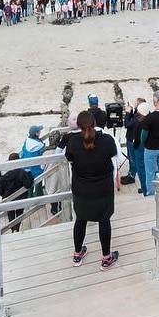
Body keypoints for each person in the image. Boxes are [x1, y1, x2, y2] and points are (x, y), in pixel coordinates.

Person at [65, 110, 119, 270]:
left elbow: (69, 157)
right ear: (94, 123)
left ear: (79, 126)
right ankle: (106, 258)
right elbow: (113, 153)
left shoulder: (73, 142)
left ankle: (77, 255)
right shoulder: (107, 140)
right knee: (104, 221)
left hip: (81, 191)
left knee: (80, 220)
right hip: (103, 190)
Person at [0, 153, 34, 232]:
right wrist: (29, 173)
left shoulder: (2, 172)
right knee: (19, 213)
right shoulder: (21, 172)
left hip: (8, 198)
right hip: (20, 198)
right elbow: (28, 185)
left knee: (10, 214)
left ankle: (13, 229)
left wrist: (3, 194)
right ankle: (17, 228)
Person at [122, 98, 147, 185]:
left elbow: (127, 124)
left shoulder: (138, 118)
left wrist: (128, 112)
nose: (135, 105)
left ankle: (131, 175)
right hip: (140, 141)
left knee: (132, 159)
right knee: (138, 159)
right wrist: (133, 110)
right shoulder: (146, 114)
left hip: (132, 140)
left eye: (136, 104)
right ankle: (132, 174)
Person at [20, 125, 47, 197]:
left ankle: (30, 197)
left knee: (29, 184)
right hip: (36, 168)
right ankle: (39, 196)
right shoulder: (40, 145)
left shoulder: (26, 141)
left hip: (26, 167)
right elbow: (43, 154)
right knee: (38, 182)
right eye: (39, 131)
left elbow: (22, 151)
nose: (40, 132)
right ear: (36, 133)